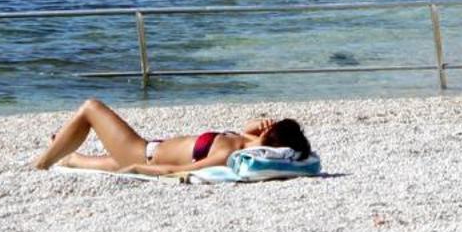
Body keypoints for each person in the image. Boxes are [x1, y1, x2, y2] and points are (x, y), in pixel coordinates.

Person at [32, 97, 312, 175]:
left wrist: (140, 168)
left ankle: (41, 163)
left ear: (272, 138)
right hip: (151, 148)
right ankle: (66, 154)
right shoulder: (245, 140)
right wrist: (258, 126)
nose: (266, 124)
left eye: (270, 127)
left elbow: (184, 169)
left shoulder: (230, 154)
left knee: (92, 108)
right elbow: (247, 129)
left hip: (143, 154)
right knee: (75, 160)